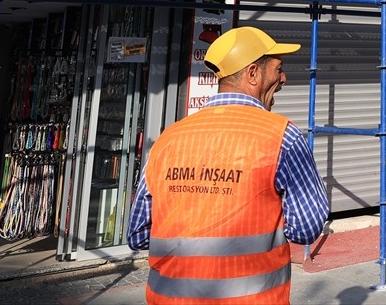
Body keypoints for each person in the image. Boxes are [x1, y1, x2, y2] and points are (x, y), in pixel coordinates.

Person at [128, 27, 328, 305]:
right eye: (278, 69)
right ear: (253, 74)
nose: (284, 78)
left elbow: (138, 235)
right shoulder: (282, 136)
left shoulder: (168, 139)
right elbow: (305, 229)